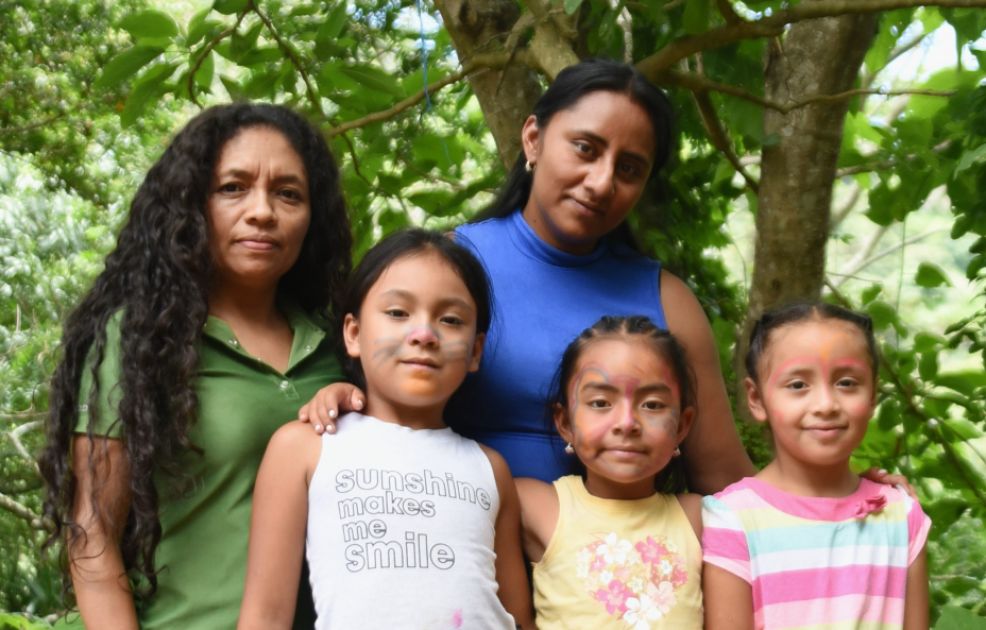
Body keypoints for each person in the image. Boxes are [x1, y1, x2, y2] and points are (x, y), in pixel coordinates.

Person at [303, 57, 754, 491]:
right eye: (585, 148)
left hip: (613, 560)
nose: (601, 181)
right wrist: (345, 395)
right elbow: (371, 393)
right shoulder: (448, 266)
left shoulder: (668, 301)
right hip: (450, 548)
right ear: (533, 139)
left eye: (629, 168)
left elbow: (721, 478)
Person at [38, 103, 353, 629]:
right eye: (233, 187)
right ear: (191, 205)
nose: (262, 211)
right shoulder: (139, 340)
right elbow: (91, 534)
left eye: (288, 193)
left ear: (312, 218)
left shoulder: (340, 346)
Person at [237, 229, 534, 629]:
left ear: (475, 351)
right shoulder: (305, 446)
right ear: (353, 334)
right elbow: (265, 617)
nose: (424, 335)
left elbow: (520, 619)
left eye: (450, 320)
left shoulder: (490, 468)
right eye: (398, 313)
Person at [702, 303, 930, 629]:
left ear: (873, 396)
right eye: (798, 385)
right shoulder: (731, 521)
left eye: (847, 382)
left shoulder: (901, 517)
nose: (825, 405)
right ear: (756, 399)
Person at [517, 315, 703, 629]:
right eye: (601, 402)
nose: (627, 422)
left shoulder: (700, 519)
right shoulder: (535, 506)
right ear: (565, 423)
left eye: (653, 405)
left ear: (682, 426)